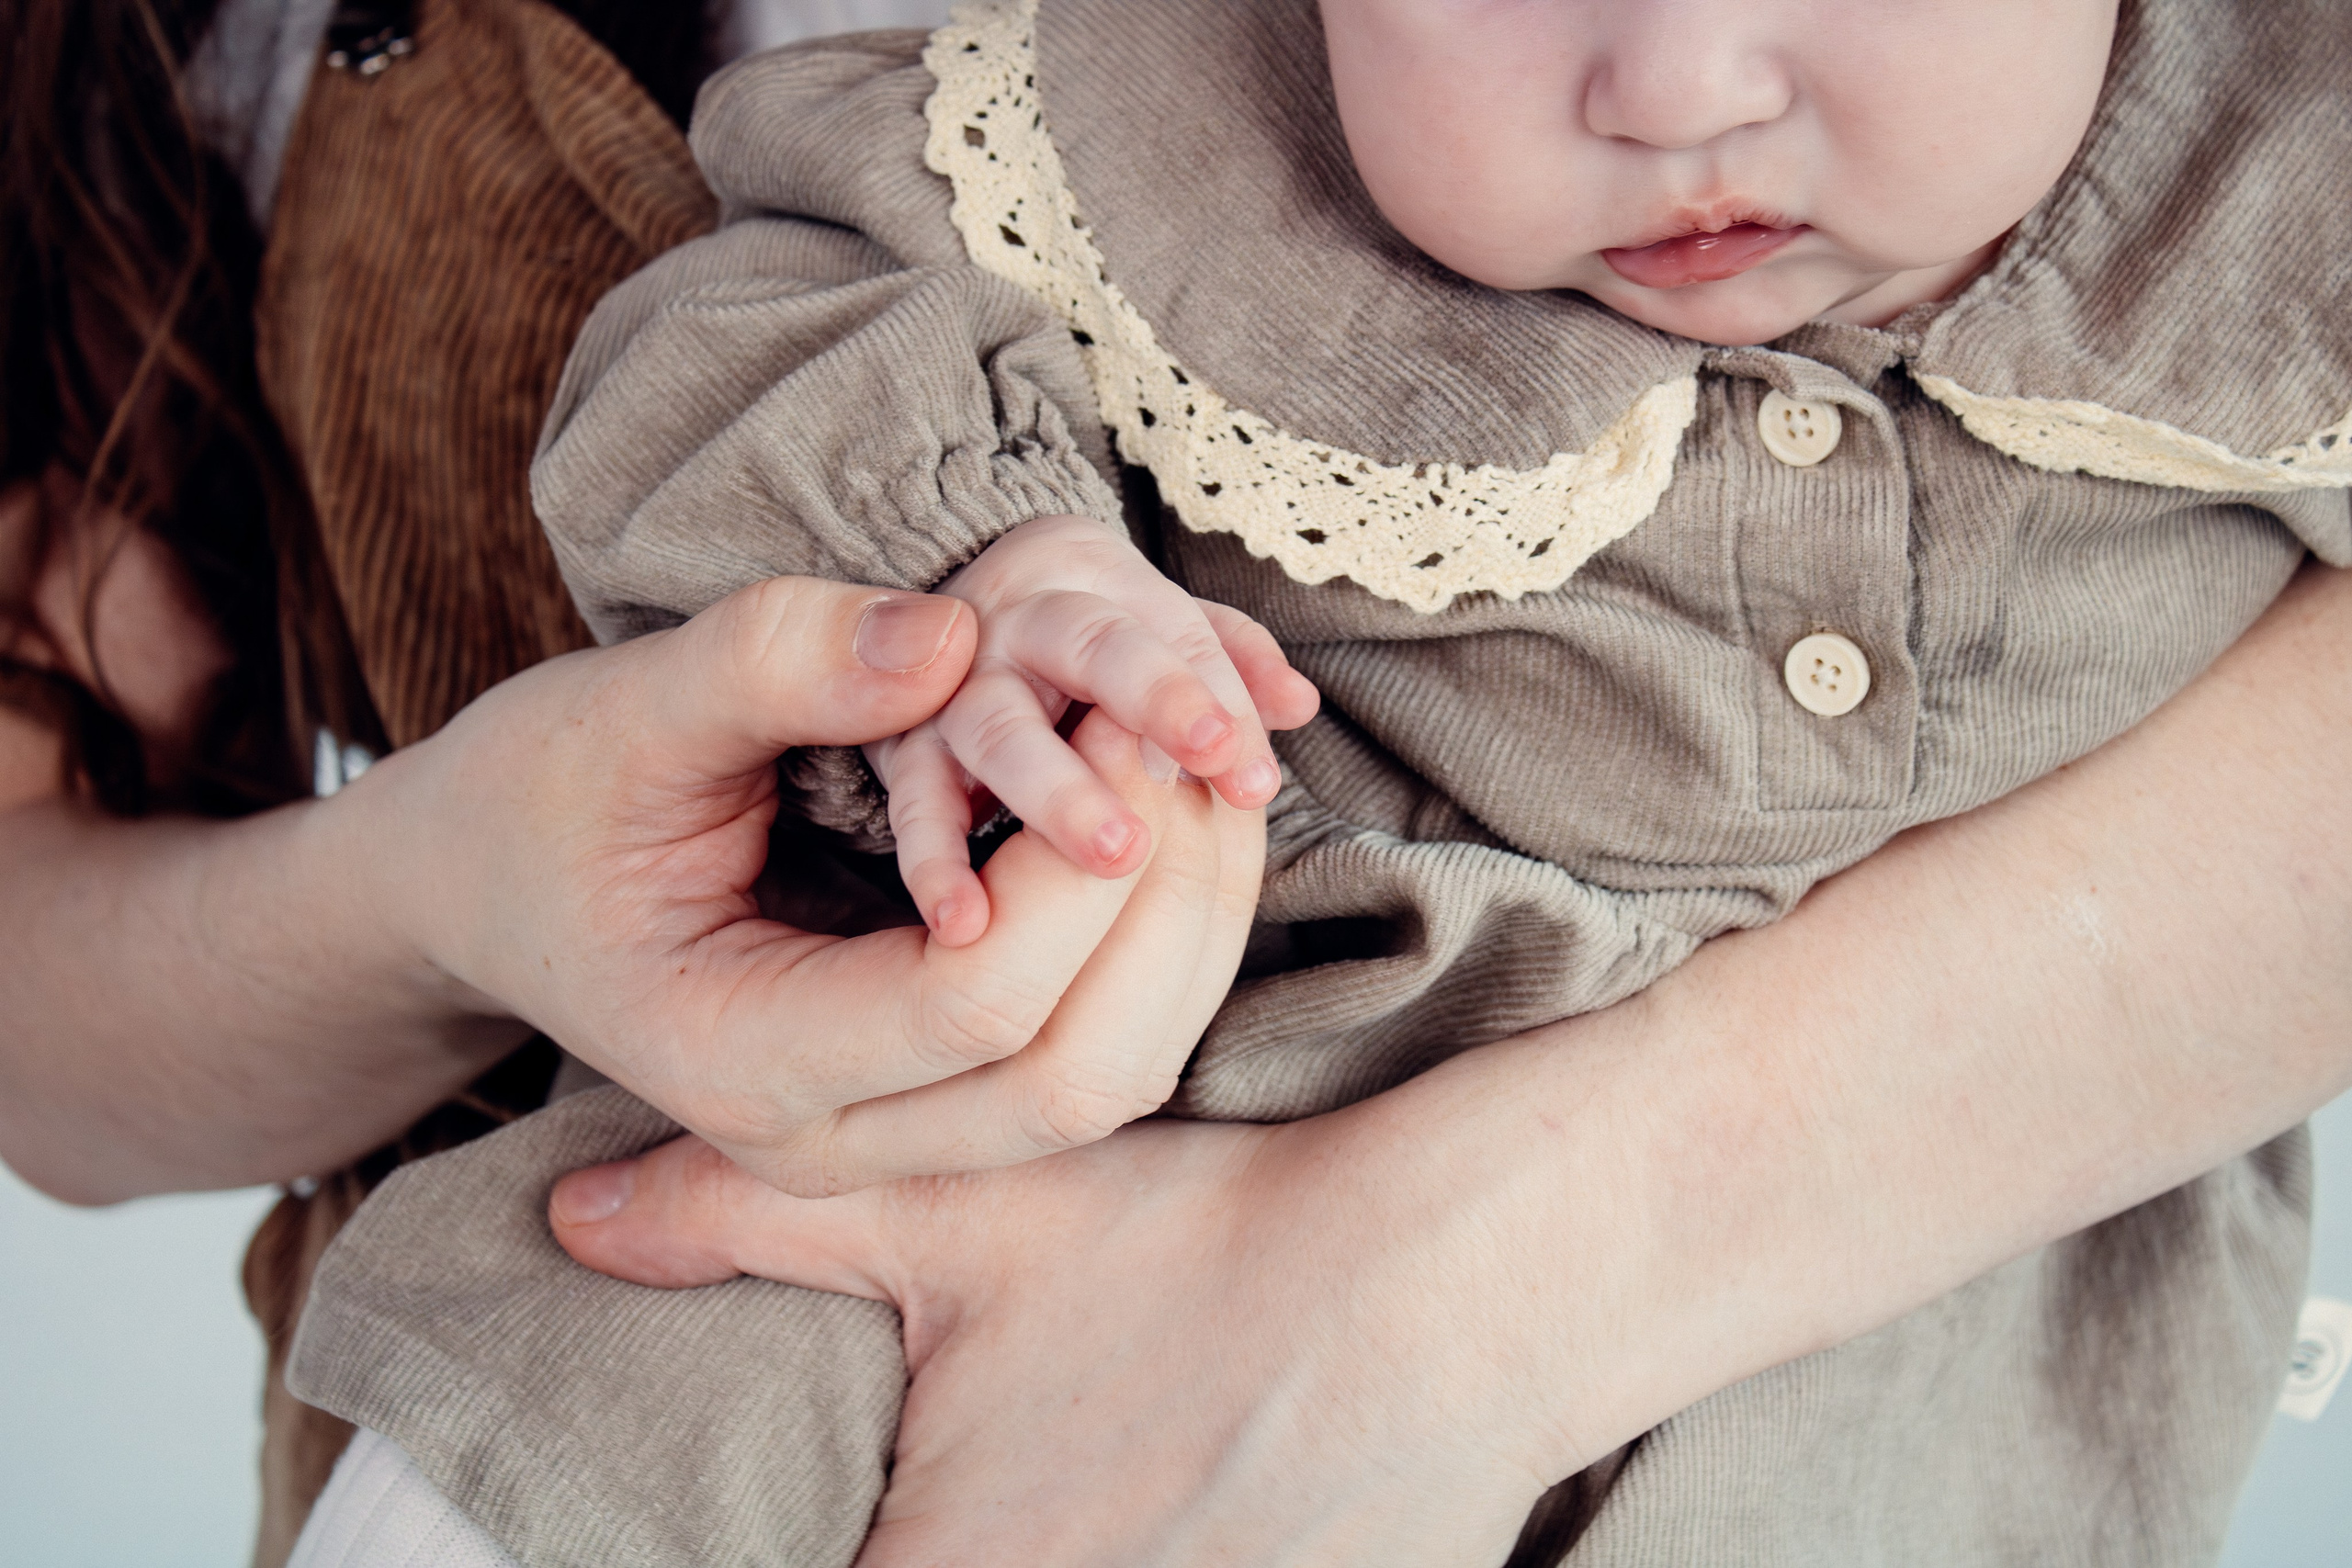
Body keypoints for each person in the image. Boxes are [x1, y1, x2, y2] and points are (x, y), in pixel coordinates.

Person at [277, 0, 2352, 1564]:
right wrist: (1002, 572)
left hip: (1889, 1372)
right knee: (651, 1363)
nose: (1677, 85)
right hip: (1118, 1106)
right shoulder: (1165, 122)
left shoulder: (2283, 165)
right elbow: (764, 325)